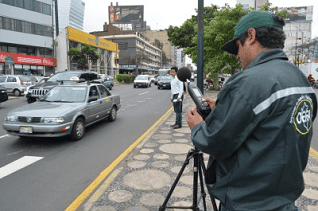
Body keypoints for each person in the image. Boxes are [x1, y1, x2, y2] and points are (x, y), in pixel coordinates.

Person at [187, 11, 317, 211]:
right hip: (284, 201)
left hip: (246, 201)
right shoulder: (300, 80)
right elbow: (272, 125)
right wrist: (226, 109)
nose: (238, 56)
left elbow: (216, 142)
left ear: (251, 36)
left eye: (237, 47)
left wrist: (197, 128)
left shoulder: (247, 81)